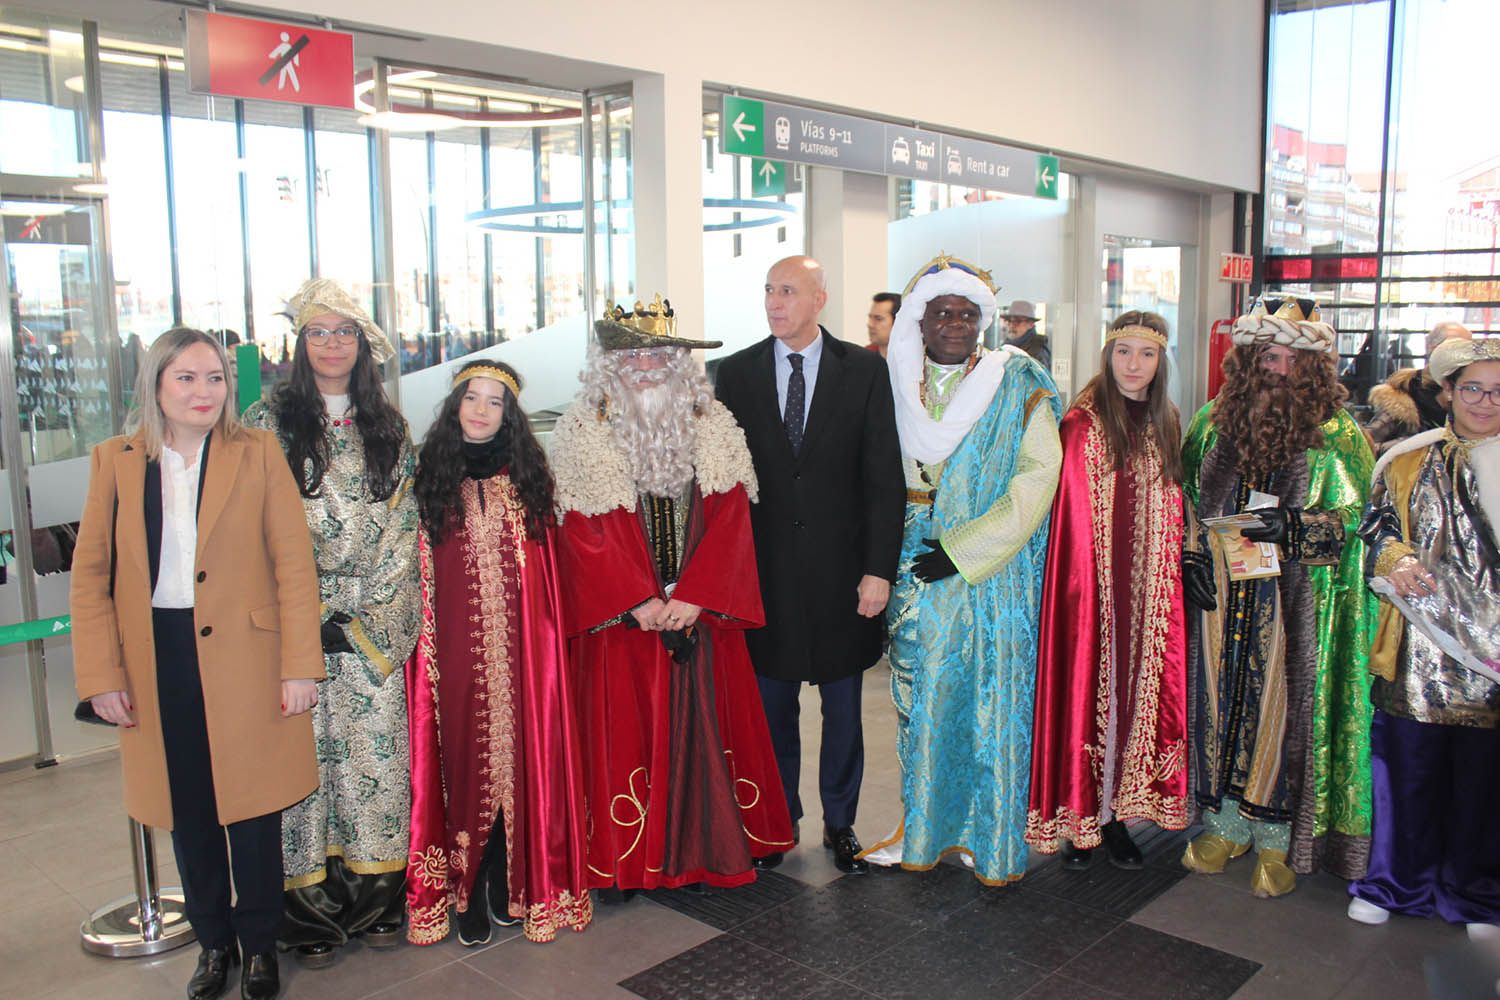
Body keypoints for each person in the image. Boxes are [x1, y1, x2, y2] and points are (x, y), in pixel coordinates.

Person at [71, 327, 322, 1000]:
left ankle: (261, 945)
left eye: (214, 377)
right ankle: (214, 945)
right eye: (185, 377)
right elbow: (90, 576)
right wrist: (102, 677)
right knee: (190, 809)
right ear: (156, 385)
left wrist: (300, 665)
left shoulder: (258, 452)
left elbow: (294, 565)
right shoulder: (114, 462)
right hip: (158, 657)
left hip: (249, 654)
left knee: (254, 810)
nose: (203, 391)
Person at [552, 297, 793, 891]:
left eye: (658, 352)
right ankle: (628, 861)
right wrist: (636, 600)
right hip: (624, 626)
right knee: (625, 734)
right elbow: (581, 529)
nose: (644, 364)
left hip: (698, 616)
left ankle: (716, 846)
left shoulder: (712, 424)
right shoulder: (582, 428)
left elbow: (733, 516)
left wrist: (696, 595)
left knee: (712, 726)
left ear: (679, 362)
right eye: (630, 353)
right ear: (608, 363)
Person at [860, 254, 1061, 884]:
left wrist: (965, 550)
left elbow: (1038, 476)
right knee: (917, 698)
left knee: (986, 699)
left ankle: (984, 831)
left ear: (984, 321)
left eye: (966, 314)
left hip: (985, 568)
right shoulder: (890, 379)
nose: (953, 323)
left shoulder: (1015, 378)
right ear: (918, 320)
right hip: (907, 558)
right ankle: (920, 828)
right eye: (941, 312)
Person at [242, 279, 420, 967]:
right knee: (302, 766)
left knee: (375, 756)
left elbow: (404, 532)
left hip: (371, 623)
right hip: (292, 623)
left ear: (362, 346)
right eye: (318, 332)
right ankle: (306, 913)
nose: (331, 344)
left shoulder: (389, 428)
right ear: (300, 343)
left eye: (344, 332)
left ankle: (375, 899)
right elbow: (252, 530)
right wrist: (302, 614)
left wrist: (366, 619)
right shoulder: (265, 424)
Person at [1180, 296, 1376, 897]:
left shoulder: (1339, 434)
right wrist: (1190, 554)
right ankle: (1222, 823)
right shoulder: (1212, 420)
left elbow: (1358, 518)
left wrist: (1296, 528)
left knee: (1281, 709)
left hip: (1297, 599)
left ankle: (1276, 839)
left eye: (1292, 357)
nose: (1278, 366)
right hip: (1222, 588)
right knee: (1219, 698)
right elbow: (1186, 498)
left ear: (1313, 366)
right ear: (1247, 359)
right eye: (1268, 354)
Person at [715, 257, 905, 873]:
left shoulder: (864, 373)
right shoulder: (736, 373)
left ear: (820, 298)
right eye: (769, 291)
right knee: (772, 710)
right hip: (765, 576)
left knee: (844, 709)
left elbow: (884, 478)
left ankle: (841, 822)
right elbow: (725, 487)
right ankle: (778, 822)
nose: (775, 302)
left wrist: (879, 569)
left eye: (788, 291)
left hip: (844, 577)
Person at [405, 359, 592, 945]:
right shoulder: (429, 480)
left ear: (510, 414)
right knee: (462, 761)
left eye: (495, 402)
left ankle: (509, 882)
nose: (482, 411)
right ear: (455, 404)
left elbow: (548, 580)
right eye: (472, 399)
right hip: (453, 656)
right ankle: (466, 884)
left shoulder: (530, 481)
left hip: (521, 657)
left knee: (521, 761)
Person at [1347, 336, 1500, 937]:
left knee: (1482, 783)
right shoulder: (1408, 458)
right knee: (1406, 772)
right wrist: (1393, 562)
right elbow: (1376, 528)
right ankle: (1395, 881)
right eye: (1472, 389)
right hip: (1419, 645)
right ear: (1447, 393)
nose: (1485, 402)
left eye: (1496, 391)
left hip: (1490, 657)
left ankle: (1476, 890)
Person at [1027, 311, 1189, 870]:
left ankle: (1118, 814)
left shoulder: (1166, 418)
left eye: (1146, 354)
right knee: (1089, 695)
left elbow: (1172, 506)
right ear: (1108, 355)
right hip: (1093, 593)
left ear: (1160, 361)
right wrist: (1085, 596)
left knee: (1133, 696)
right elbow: (1073, 523)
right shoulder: (1082, 423)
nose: (1134, 365)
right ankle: (1080, 817)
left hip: (1146, 592)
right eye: (1124, 352)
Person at [1365, 322, 1471, 456]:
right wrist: (1411, 447)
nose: (1462, 355)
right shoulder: (1406, 397)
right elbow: (1365, 447)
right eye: (1455, 347)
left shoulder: (1473, 397)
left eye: (1467, 349)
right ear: (1431, 348)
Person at [1002, 299, 1051, 370]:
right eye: (1009, 321)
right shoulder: (1005, 347)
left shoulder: (1038, 351)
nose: (1012, 325)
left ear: (1031, 324)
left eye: (1017, 321)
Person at [867, 291, 901, 357]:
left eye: (878, 319)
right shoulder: (864, 356)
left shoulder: (917, 359)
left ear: (897, 322)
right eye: (870, 317)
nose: (870, 324)